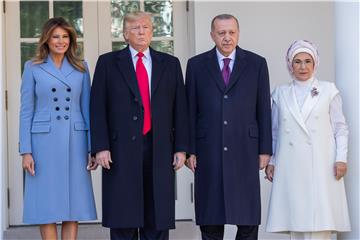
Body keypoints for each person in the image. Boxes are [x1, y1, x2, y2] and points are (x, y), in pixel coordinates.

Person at [90, 11, 189, 240]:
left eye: (145, 27)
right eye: (135, 28)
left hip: (160, 148)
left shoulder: (170, 64)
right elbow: (97, 108)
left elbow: (180, 109)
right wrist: (100, 147)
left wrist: (181, 148)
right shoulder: (108, 63)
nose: (141, 31)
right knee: (124, 214)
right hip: (119, 150)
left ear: (152, 32)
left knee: (157, 215)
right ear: (125, 34)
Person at [185, 14, 272, 240]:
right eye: (221, 33)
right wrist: (190, 150)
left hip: (246, 148)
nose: (227, 38)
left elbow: (263, 109)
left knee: (247, 220)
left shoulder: (257, 63)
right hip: (208, 149)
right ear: (212, 35)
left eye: (231, 32)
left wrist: (265, 150)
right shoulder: (196, 65)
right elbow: (189, 111)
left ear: (238, 33)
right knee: (211, 219)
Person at [19, 17, 97, 239]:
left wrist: (91, 147)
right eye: (55, 36)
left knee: (74, 204)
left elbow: (87, 109)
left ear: (71, 40)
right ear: (46, 39)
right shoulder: (32, 67)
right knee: (46, 204)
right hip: (43, 142)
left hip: (75, 141)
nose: (60, 41)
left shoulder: (82, 68)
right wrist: (26, 151)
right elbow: (26, 111)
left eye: (65, 36)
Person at [265, 40, 351, 239]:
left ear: (315, 64)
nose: (302, 67)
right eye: (297, 61)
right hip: (291, 166)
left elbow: (340, 127)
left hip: (322, 164)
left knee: (321, 221)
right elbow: (275, 131)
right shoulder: (280, 93)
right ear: (290, 64)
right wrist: (272, 161)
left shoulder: (329, 90)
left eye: (307, 61)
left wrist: (341, 158)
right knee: (297, 221)